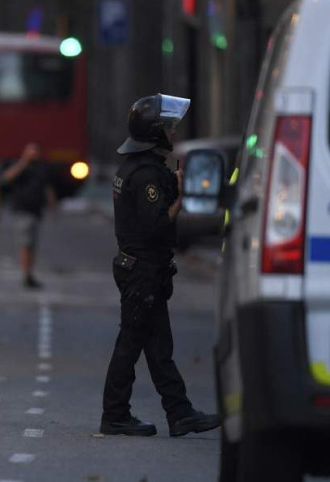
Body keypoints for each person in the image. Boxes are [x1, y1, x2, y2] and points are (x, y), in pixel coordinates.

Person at [100, 93, 220, 437]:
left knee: (157, 347)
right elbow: (158, 226)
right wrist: (180, 200)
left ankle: (180, 413)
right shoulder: (147, 175)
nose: (174, 134)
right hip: (142, 271)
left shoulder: (135, 167)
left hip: (142, 270)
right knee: (132, 343)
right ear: (155, 133)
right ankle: (115, 415)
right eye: (169, 128)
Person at [0, 143, 57, 288]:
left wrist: (52, 208)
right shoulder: (19, 166)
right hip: (21, 211)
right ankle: (26, 275)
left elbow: (48, 188)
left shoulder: (42, 168)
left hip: (36, 211)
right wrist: (23, 163)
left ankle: (29, 273)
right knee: (25, 244)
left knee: (32, 245)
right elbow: (6, 179)